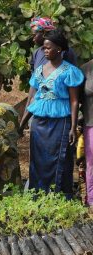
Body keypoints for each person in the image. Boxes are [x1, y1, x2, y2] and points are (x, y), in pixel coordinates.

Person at [19, 29, 84, 199]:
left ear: (60, 49)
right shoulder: (39, 70)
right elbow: (33, 99)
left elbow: (74, 101)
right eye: (44, 48)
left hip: (60, 122)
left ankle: (59, 198)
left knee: (59, 159)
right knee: (38, 160)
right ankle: (37, 196)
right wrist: (22, 123)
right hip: (39, 123)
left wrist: (72, 126)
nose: (45, 51)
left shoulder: (69, 71)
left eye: (48, 48)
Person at [81, 59, 93, 209]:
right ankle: (91, 200)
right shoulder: (85, 69)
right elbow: (76, 99)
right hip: (91, 123)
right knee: (91, 163)